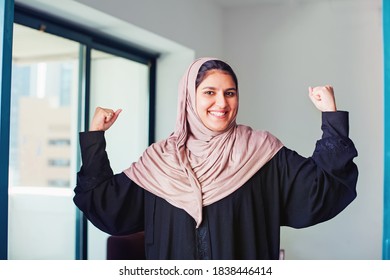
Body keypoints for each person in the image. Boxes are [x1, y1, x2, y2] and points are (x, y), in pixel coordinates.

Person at [73, 57, 358, 260]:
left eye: (230, 93)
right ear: (189, 98)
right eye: (210, 92)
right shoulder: (159, 160)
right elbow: (106, 205)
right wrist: (96, 136)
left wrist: (331, 117)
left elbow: (324, 189)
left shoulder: (262, 152)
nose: (222, 103)